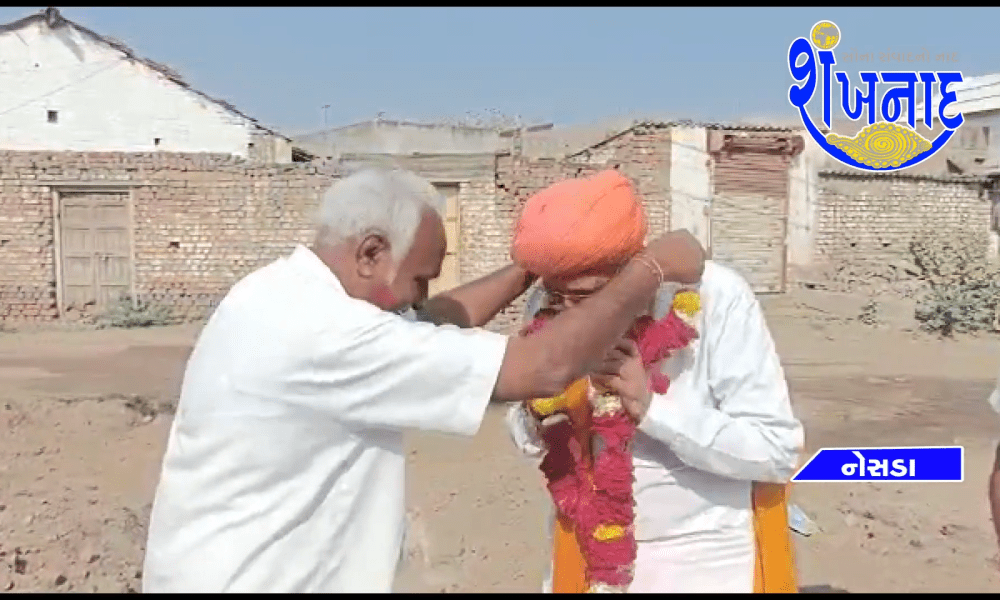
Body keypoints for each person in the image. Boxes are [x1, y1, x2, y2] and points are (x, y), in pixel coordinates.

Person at [141, 167, 705, 593]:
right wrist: (649, 270)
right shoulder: (329, 335)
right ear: (370, 253)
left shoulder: (280, 293)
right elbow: (545, 367)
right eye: (419, 277)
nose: (420, 294)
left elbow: (429, 320)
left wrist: (541, 260)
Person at [504, 169, 805, 593]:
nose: (572, 315)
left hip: (705, 562)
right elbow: (528, 438)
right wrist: (539, 409)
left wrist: (649, 408)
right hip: (586, 554)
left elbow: (775, 451)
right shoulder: (549, 306)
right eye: (559, 298)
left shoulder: (715, 298)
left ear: (634, 271)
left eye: (587, 296)